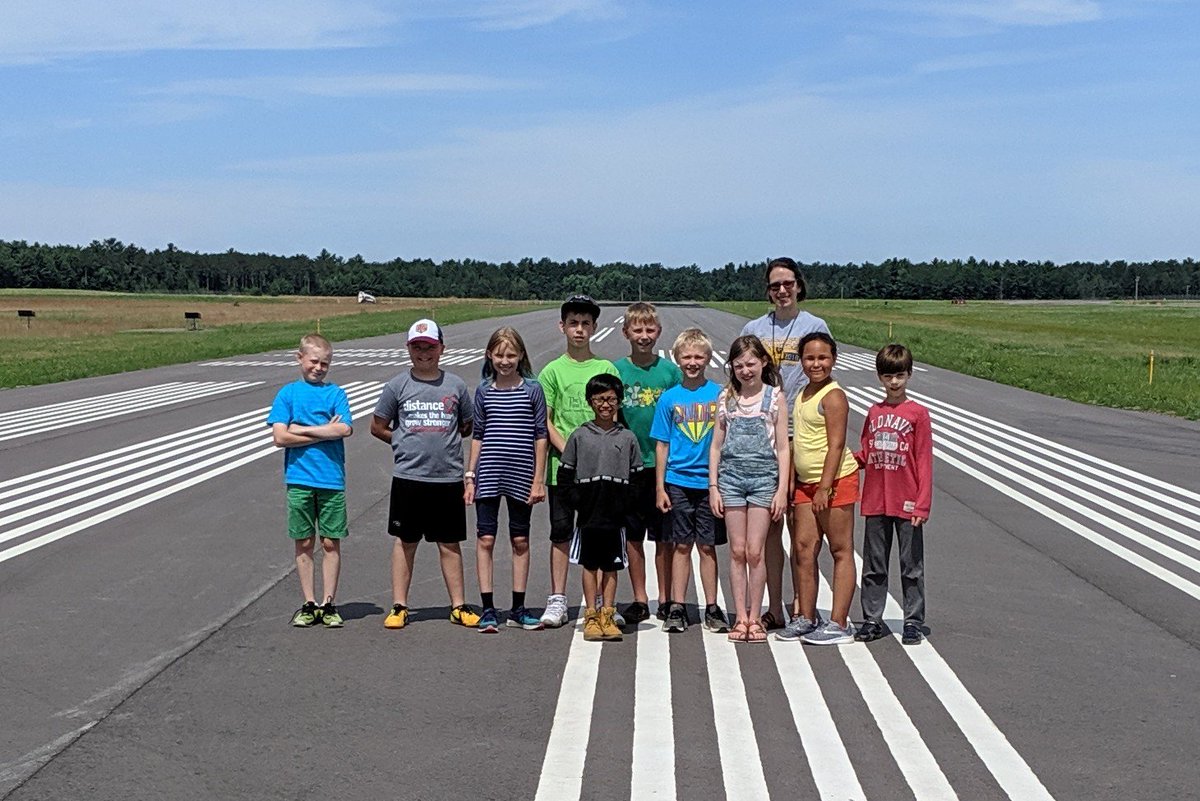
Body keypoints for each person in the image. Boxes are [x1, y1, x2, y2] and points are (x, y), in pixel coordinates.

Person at [740, 257, 831, 632]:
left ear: (799, 285)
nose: (782, 291)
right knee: (772, 526)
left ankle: (802, 603)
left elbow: (823, 374)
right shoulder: (755, 328)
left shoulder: (814, 326)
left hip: (803, 433)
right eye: (775, 285)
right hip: (764, 435)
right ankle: (774, 605)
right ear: (767, 289)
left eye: (788, 283)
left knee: (803, 527)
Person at [371, 318, 479, 630]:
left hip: (446, 477)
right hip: (409, 477)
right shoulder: (398, 385)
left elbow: (467, 425)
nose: (423, 353)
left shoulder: (455, 385)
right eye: (417, 347)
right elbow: (378, 426)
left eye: (429, 347)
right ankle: (400, 605)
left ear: (441, 348)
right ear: (408, 349)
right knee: (406, 541)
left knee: (449, 543)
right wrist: (402, 441)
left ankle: (458, 606)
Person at [537, 295, 620, 628]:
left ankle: (599, 602)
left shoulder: (607, 369)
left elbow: (615, 415)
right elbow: (546, 420)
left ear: (595, 328)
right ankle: (557, 598)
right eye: (573, 323)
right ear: (563, 326)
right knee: (561, 533)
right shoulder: (552, 372)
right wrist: (572, 455)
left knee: (598, 534)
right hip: (564, 470)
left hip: (602, 472)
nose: (580, 330)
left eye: (586, 324)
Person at [465, 327, 549, 633]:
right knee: (485, 539)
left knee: (520, 540)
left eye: (511, 354)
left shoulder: (532, 390)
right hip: (488, 473)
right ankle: (488, 608)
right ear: (489, 356)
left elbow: (541, 435)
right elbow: (478, 435)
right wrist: (470, 475)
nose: (505, 360)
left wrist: (538, 479)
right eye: (499, 355)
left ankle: (518, 607)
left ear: (521, 356)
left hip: (522, 474)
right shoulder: (484, 391)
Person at [267, 334, 353, 628]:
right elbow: (280, 437)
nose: (319, 368)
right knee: (304, 541)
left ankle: (329, 602)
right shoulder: (288, 394)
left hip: (331, 479)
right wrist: (322, 429)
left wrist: (301, 430)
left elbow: (343, 429)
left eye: (325, 364)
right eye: (314, 361)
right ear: (299, 358)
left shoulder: (335, 394)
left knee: (331, 542)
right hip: (300, 478)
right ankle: (309, 601)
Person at [708, 335, 789, 643]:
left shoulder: (775, 398)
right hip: (730, 480)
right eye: (739, 364)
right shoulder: (726, 398)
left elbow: (783, 447)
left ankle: (756, 617)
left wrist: (781, 489)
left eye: (751, 363)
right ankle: (739, 617)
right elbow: (716, 446)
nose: (745, 370)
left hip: (763, 480)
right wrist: (713, 486)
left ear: (763, 363)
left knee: (756, 552)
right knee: (737, 550)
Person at [782, 332, 860, 645]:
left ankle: (839, 622)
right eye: (810, 358)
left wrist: (826, 487)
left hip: (834, 481)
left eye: (823, 358)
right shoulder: (803, 393)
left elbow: (837, 444)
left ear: (834, 359)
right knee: (803, 549)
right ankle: (806, 616)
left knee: (840, 549)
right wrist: (793, 483)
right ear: (801, 361)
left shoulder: (834, 396)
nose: (817, 364)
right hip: (805, 483)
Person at [650, 328, 729, 634]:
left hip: (710, 482)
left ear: (708, 358)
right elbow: (662, 444)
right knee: (681, 545)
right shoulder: (670, 398)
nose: (693, 362)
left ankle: (711, 606)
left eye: (699, 356)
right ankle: (677, 605)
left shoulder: (720, 395)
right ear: (677, 358)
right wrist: (660, 487)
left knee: (707, 547)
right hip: (678, 481)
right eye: (687, 357)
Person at [854, 344, 934, 645]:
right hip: (876, 499)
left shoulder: (918, 414)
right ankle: (872, 618)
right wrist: (843, 462)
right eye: (888, 376)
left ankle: (913, 620)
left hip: (908, 501)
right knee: (874, 565)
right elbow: (866, 450)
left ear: (909, 375)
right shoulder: (874, 412)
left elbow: (924, 460)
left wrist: (922, 504)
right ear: (880, 377)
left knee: (911, 566)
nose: (895, 382)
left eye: (900, 375)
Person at [558, 374, 642, 641]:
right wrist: (577, 501)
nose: (605, 405)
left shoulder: (628, 437)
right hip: (588, 514)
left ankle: (608, 612)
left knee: (612, 566)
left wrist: (626, 505)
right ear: (590, 402)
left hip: (615, 516)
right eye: (599, 399)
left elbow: (637, 477)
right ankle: (591, 615)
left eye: (611, 399)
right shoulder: (579, 435)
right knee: (590, 564)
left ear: (619, 402)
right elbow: (565, 475)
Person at [614, 301, 682, 624]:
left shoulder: (670, 373)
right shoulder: (617, 370)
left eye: (649, 329)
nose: (644, 335)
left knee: (664, 537)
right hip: (630, 465)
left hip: (663, 465)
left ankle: (666, 597)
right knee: (633, 536)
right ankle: (640, 598)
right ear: (626, 332)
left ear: (659, 332)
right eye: (637, 329)